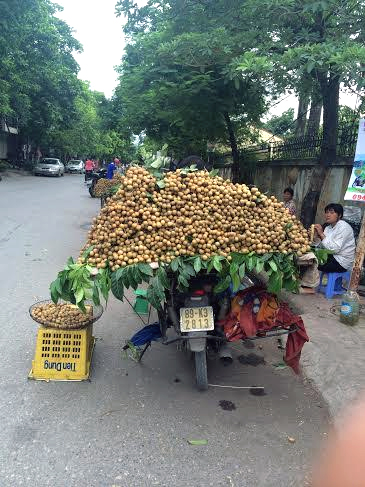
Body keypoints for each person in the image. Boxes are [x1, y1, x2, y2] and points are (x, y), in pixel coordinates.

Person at [314, 203, 355, 273]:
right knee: (310, 258)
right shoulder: (328, 228)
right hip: (332, 256)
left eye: (332, 212)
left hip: (341, 261)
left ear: (339, 215)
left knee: (312, 264)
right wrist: (315, 237)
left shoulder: (344, 227)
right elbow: (324, 247)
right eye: (326, 212)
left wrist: (321, 234)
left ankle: (309, 283)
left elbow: (335, 249)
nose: (328, 215)